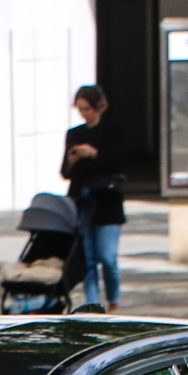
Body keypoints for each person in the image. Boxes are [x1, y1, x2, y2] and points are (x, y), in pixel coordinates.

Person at [60, 87, 126, 313]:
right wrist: (71, 160)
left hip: (107, 199)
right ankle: (93, 305)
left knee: (107, 257)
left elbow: (118, 163)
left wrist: (95, 154)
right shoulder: (74, 134)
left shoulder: (113, 130)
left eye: (86, 108)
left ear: (98, 107)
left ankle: (114, 301)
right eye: (79, 109)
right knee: (87, 258)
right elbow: (65, 173)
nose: (83, 114)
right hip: (81, 199)